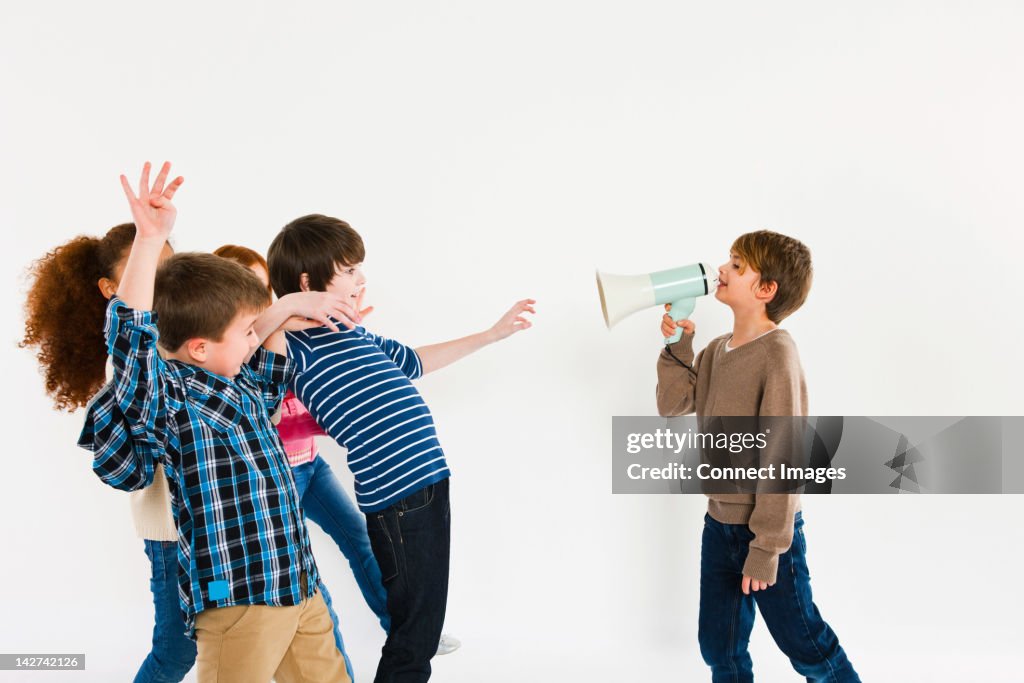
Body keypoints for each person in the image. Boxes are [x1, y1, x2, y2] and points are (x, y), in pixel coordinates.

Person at [80, 162, 356, 682]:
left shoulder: (243, 384)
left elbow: (272, 366)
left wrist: (288, 307)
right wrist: (148, 240)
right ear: (200, 347)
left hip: (297, 584)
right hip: (241, 599)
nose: (258, 337)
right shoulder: (172, 398)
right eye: (248, 330)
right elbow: (132, 339)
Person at [267, 214, 534, 682]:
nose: (361, 279)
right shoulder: (292, 346)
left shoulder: (351, 333)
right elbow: (248, 337)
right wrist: (292, 302)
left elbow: (414, 361)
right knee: (415, 637)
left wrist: (491, 335)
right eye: (348, 270)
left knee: (420, 629)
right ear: (309, 282)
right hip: (400, 499)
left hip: (428, 484)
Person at [656, 230, 860, 682]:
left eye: (737, 265)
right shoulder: (713, 352)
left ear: (766, 290)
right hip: (719, 524)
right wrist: (677, 346)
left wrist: (766, 547)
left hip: (767, 533)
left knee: (805, 644)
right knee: (718, 646)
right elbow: (672, 404)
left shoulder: (777, 353)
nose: (722, 270)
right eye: (728, 260)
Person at [22, 222, 194, 682]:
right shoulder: (130, 356)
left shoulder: (188, 335)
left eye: (169, 269)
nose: (161, 283)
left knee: (223, 632)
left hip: (211, 529)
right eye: (146, 272)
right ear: (111, 288)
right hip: (173, 538)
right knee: (177, 651)